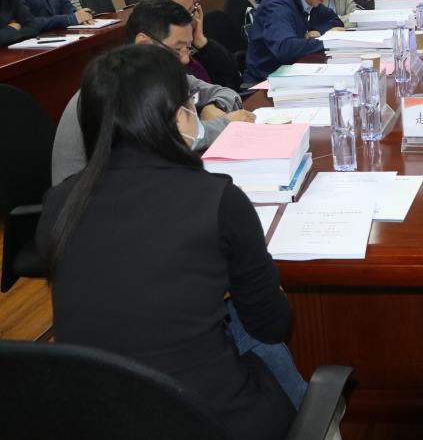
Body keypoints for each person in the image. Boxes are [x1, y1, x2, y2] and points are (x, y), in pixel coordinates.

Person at [37, 44, 303, 440]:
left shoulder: (59, 203)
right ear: (180, 116)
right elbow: (273, 324)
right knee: (259, 335)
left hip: (94, 420)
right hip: (205, 420)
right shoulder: (219, 199)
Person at [52, 0, 253, 185]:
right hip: (88, 199)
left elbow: (226, 93)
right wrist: (225, 123)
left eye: (188, 49)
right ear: (144, 43)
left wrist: (213, 105)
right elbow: (168, 144)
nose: (185, 59)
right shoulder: (111, 88)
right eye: (178, 49)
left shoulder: (158, 75)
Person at [243, 0, 347, 84]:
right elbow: (285, 48)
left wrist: (316, 33)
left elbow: (334, 21)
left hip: (294, 73)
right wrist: (327, 40)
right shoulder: (277, 5)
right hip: (267, 83)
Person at [146, 0, 241, 90]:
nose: (196, 16)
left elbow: (232, 70)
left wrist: (202, 42)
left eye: (194, 6)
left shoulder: (193, 36)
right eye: (190, 12)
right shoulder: (160, 55)